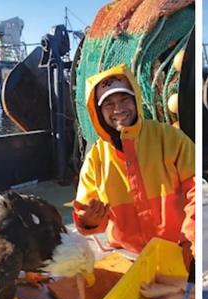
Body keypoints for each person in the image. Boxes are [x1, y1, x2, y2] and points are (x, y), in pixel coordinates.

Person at [72, 63, 195, 259]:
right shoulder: (95, 159)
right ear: (98, 111)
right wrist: (88, 220)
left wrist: (193, 240)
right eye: (109, 104)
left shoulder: (171, 138)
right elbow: (87, 217)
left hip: (180, 252)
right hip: (127, 257)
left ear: (136, 100)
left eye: (124, 99)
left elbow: (195, 190)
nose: (118, 109)